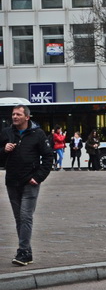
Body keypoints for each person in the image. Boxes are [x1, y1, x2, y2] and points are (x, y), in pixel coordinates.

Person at [0, 105, 54, 266]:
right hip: (12, 182)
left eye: (18, 114)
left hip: (30, 182)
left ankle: (23, 251)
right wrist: (4, 150)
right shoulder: (6, 133)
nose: (14, 117)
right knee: (19, 219)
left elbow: (48, 157)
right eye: (13, 114)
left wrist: (38, 177)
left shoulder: (38, 134)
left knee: (25, 216)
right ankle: (27, 252)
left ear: (27, 117)